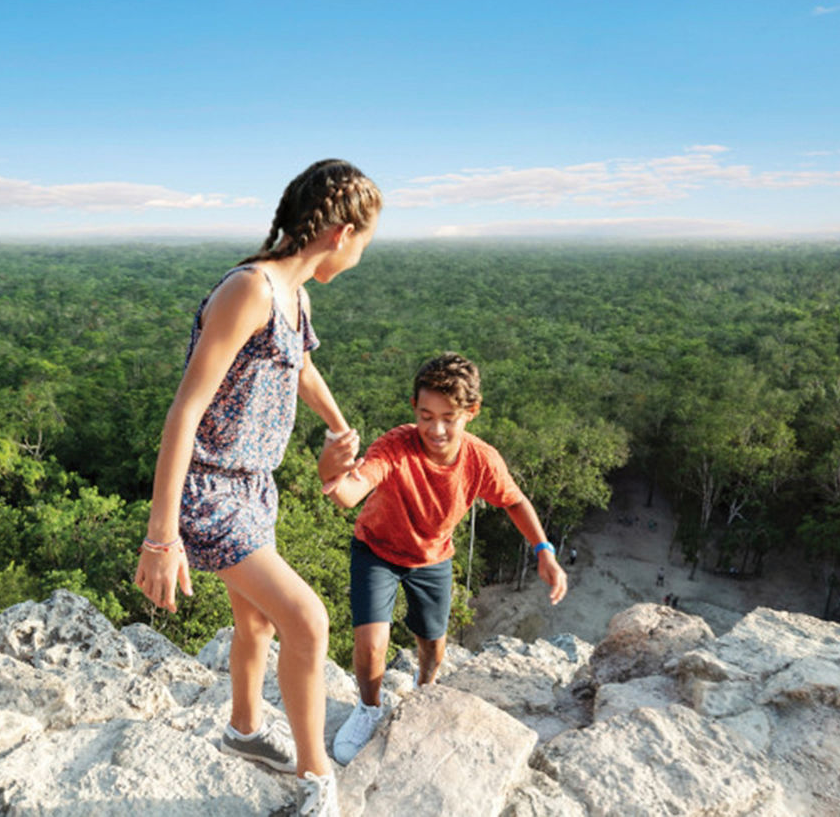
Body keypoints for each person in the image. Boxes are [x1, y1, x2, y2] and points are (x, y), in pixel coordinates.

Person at [134, 159, 382, 817]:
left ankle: (244, 728)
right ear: (340, 234)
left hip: (253, 487)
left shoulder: (295, 295)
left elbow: (299, 365)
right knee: (306, 619)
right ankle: (315, 776)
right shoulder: (250, 289)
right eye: (364, 242)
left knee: (257, 620)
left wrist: (337, 424)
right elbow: (184, 412)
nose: (361, 256)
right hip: (209, 490)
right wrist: (161, 539)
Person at [317, 352, 568, 765]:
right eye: (426, 414)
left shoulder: (480, 459)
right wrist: (331, 473)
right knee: (371, 643)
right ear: (414, 408)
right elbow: (349, 494)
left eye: (448, 417)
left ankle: (423, 692)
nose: (435, 429)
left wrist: (544, 551)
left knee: (433, 647)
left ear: (472, 412)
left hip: (432, 557)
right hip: (377, 549)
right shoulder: (397, 446)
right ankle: (368, 708)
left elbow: (516, 501)